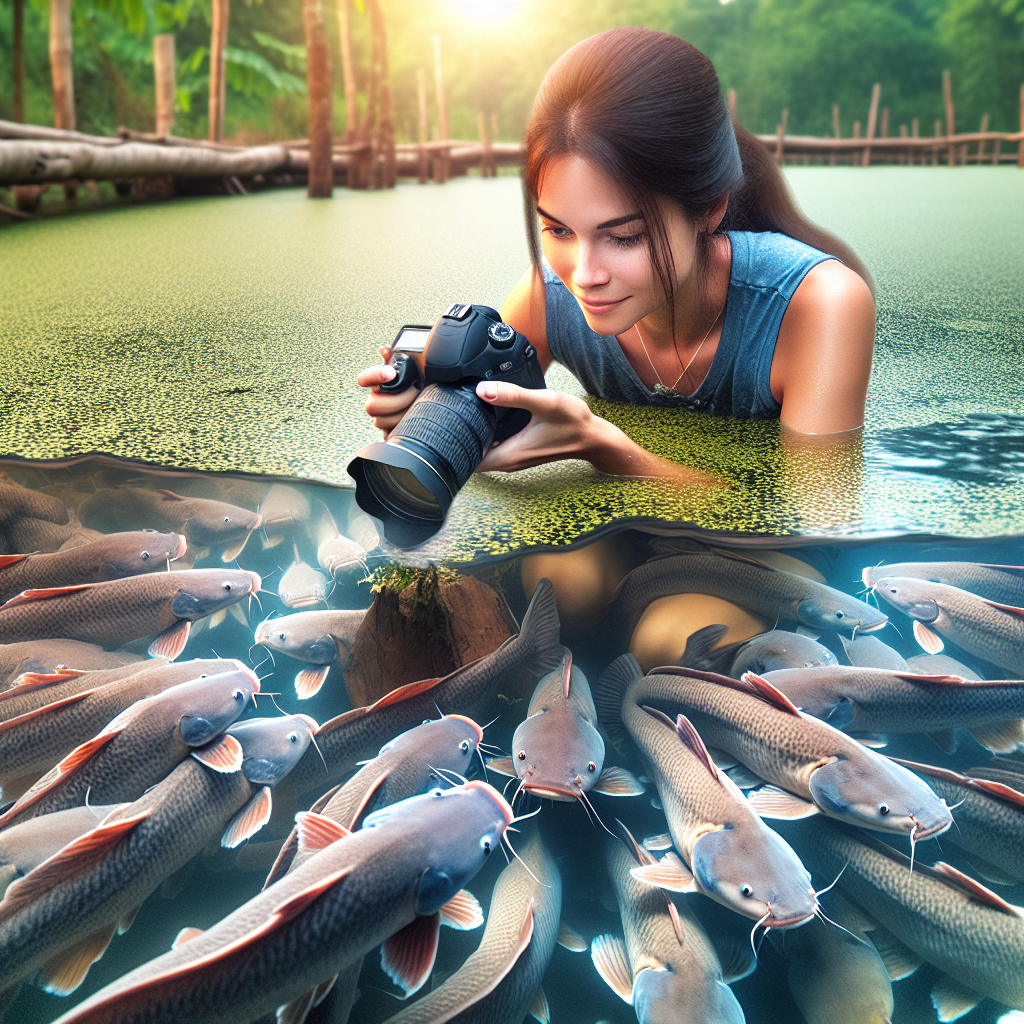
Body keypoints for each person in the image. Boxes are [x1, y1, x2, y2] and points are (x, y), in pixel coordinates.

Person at [358, 26, 875, 486]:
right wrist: (423, 415)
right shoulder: (548, 296)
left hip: (763, 569)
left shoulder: (820, 305)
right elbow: (481, 414)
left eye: (624, 236)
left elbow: (812, 524)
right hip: (618, 529)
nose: (584, 276)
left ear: (709, 209)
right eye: (558, 230)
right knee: (566, 576)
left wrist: (606, 448)